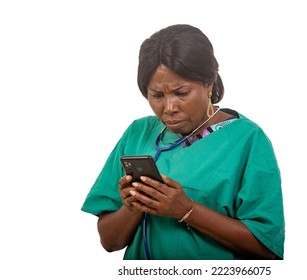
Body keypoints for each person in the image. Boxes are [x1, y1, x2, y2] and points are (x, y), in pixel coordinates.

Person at [81, 24, 285, 260]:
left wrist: (186, 209)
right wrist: (132, 207)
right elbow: (109, 242)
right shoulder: (137, 133)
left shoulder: (248, 140)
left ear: (208, 85)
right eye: (157, 95)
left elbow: (267, 249)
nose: (169, 108)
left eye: (181, 93)